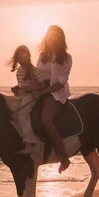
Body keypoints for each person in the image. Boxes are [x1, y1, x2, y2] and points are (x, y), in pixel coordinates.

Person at [32, 26, 73, 173]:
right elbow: (37, 75)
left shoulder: (66, 57)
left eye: (54, 37)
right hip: (41, 88)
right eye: (49, 36)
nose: (51, 39)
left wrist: (43, 92)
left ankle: (64, 157)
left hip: (55, 92)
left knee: (46, 120)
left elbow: (60, 82)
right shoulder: (42, 56)